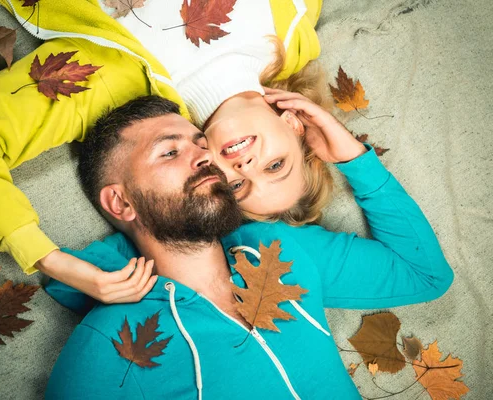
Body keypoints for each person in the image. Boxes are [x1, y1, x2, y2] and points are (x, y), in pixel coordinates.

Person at [0, 0, 339, 303]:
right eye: (276, 166)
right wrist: (351, 153)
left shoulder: (107, 82)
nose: (246, 165)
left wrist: (51, 260)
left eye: (239, 185)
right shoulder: (296, 25)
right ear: (294, 124)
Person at [43, 95, 453, 399]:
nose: (204, 157)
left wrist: (351, 157)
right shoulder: (110, 337)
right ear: (121, 202)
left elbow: (423, 275)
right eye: (170, 151)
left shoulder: (279, 249)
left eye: (202, 144)